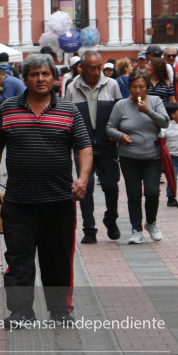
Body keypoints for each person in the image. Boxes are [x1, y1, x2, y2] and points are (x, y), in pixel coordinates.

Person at [0, 54, 92, 329]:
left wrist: (82, 179)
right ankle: (22, 311)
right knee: (19, 259)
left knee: (57, 259)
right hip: (18, 201)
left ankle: (60, 312)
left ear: (54, 78)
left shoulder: (69, 110)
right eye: (34, 74)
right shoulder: (9, 109)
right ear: (25, 79)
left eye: (45, 74)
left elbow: (84, 147)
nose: (41, 79)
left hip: (58, 200)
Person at [63, 50, 123, 244]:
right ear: (82, 68)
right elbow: (67, 116)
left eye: (100, 67)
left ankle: (111, 218)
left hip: (107, 144)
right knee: (84, 187)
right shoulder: (72, 87)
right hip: (82, 146)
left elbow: (121, 113)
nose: (98, 72)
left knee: (111, 186)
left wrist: (117, 132)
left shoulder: (112, 84)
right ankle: (89, 228)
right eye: (93, 68)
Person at [106, 69, 170, 244]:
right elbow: (109, 127)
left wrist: (148, 111)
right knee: (134, 194)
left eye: (141, 87)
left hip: (152, 156)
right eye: (134, 87)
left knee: (152, 192)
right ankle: (136, 229)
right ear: (129, 88)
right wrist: (121, 136)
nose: (138, 91)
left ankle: (151, 222)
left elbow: (165, 122)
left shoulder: (155, 101)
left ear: (147, 87)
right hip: (129, 157)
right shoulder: (121, 105)